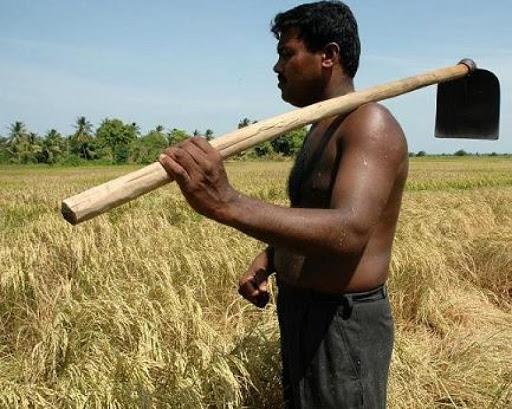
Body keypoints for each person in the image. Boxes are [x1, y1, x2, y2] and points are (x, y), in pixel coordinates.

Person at [159, 1, 408, 407]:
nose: (277, 68)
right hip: (301, 313)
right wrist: (271, 258)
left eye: (287, 54)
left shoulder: (369, 123)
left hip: (341, 323)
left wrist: (228, 202)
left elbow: (349, 231)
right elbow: (315, 213)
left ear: (328, 56)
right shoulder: (321, 127)